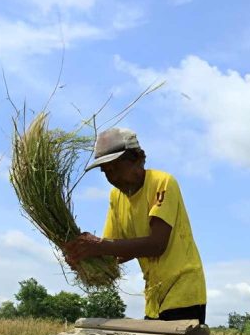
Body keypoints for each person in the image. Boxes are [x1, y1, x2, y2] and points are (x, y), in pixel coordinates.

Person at [62, 127, 207, 323]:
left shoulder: (162, 183)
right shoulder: (116, 197)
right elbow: (114, 251)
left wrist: (99, 246)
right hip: (154, 296)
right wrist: (84, 258)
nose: (113, 177)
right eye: (106, 172)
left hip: (183, 291)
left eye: (116, 168)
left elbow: (157, 244)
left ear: (138, 158)